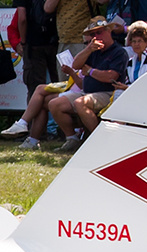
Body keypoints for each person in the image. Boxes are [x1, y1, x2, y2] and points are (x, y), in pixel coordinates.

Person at [48, 17, 127, 154]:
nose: (95, 37)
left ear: (108, 31)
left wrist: (90, 71)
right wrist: (88, 49)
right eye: (92, 34)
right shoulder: (93, 50)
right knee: (54, 104)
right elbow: (75, 65)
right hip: (87, 92)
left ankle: (100, 141)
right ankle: (72, 140)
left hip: (109, 93)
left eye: (99, 32)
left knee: (81, 103)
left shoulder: (119, 52)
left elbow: (110, 77)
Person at [10, 0, 60, 108]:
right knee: (59, 85)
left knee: (34, 87)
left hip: (33, 43)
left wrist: (23, 41)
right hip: (55, 40)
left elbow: (22, 17)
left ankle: (35, 130)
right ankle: (61, 128)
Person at [119, 21, 147, 93]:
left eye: (139, 41)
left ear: (146, 42)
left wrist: (128, 88)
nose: (136, 44)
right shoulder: (131, 61)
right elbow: (128, 81)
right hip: (133, 94)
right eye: (134, 41)